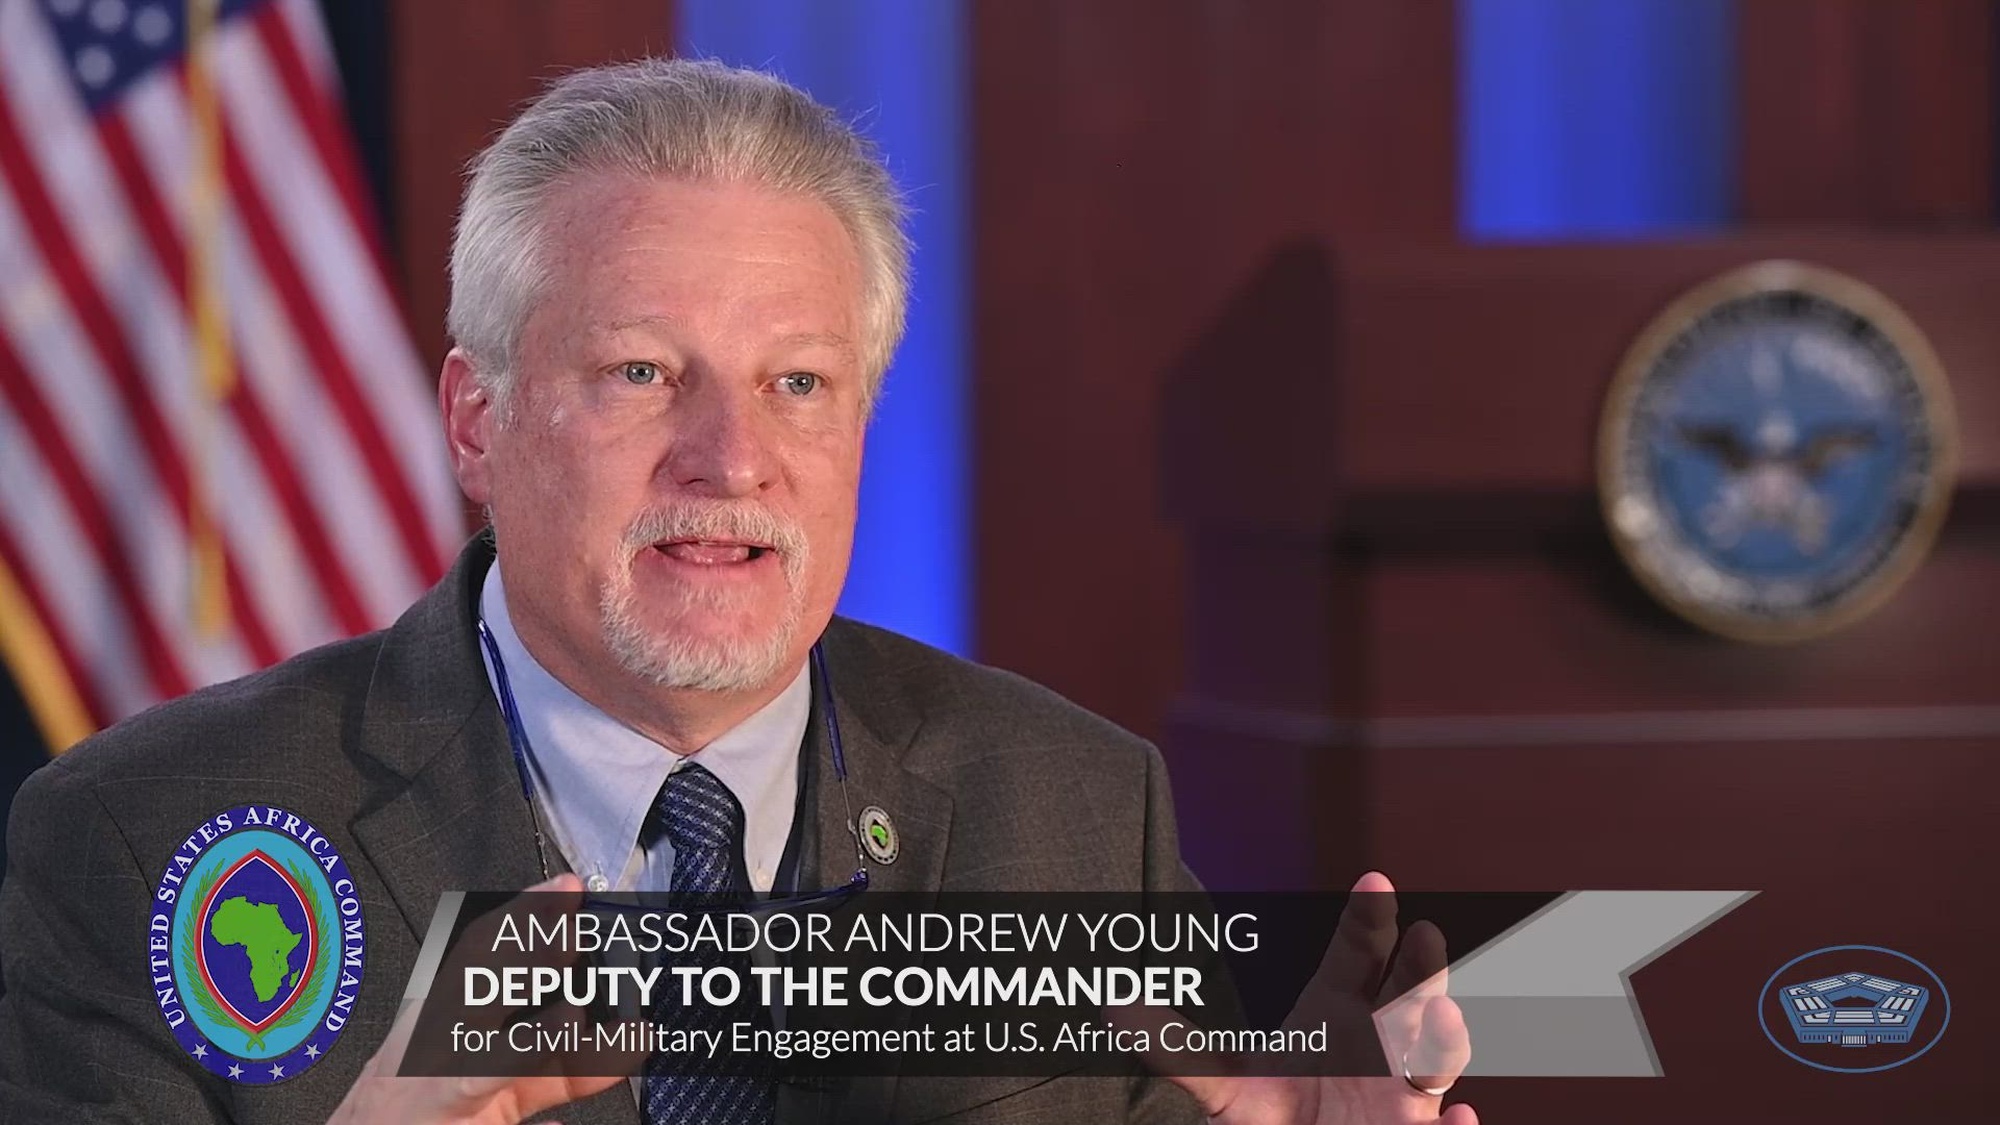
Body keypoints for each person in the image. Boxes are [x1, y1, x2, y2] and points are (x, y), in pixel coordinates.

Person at [0, 58, 1474, 1124]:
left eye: (799, 384)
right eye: (642, 373)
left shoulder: (1078, 808)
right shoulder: (139, 839)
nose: (731, 459)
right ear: (475, 420)